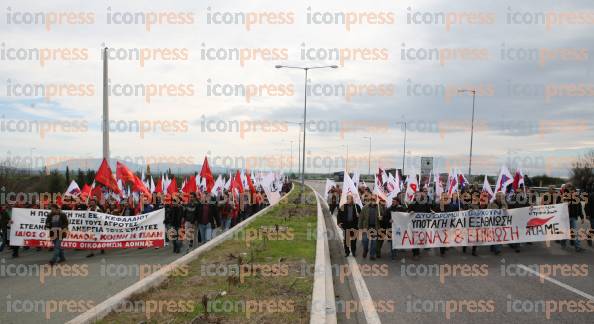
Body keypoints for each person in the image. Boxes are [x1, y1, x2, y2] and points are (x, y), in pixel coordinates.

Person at [560, 183, 585, 252]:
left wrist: (582, 217)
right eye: (570, 190)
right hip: (566, 218)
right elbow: (559, 206)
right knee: (566, 232)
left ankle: (577, 247)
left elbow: (579, 208)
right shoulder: (564, 197)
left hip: (574, 217)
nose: (572, 192)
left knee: (575, 232)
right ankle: (562, 242)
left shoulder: (577, 198)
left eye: (573, 190)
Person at [359, 193, 382, 260]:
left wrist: (381, 217)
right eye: (371, 199)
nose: (373, 200)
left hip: (375, 228)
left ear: (376, 200)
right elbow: (361, 218)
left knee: (374, 243)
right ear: (370, 199)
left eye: (374, 199)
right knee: (365, 241)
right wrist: (360, 228)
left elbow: (384, 216)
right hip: (366, 227)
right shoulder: (365, 207)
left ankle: (372, 255)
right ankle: (365, 250)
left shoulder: (379, 208)